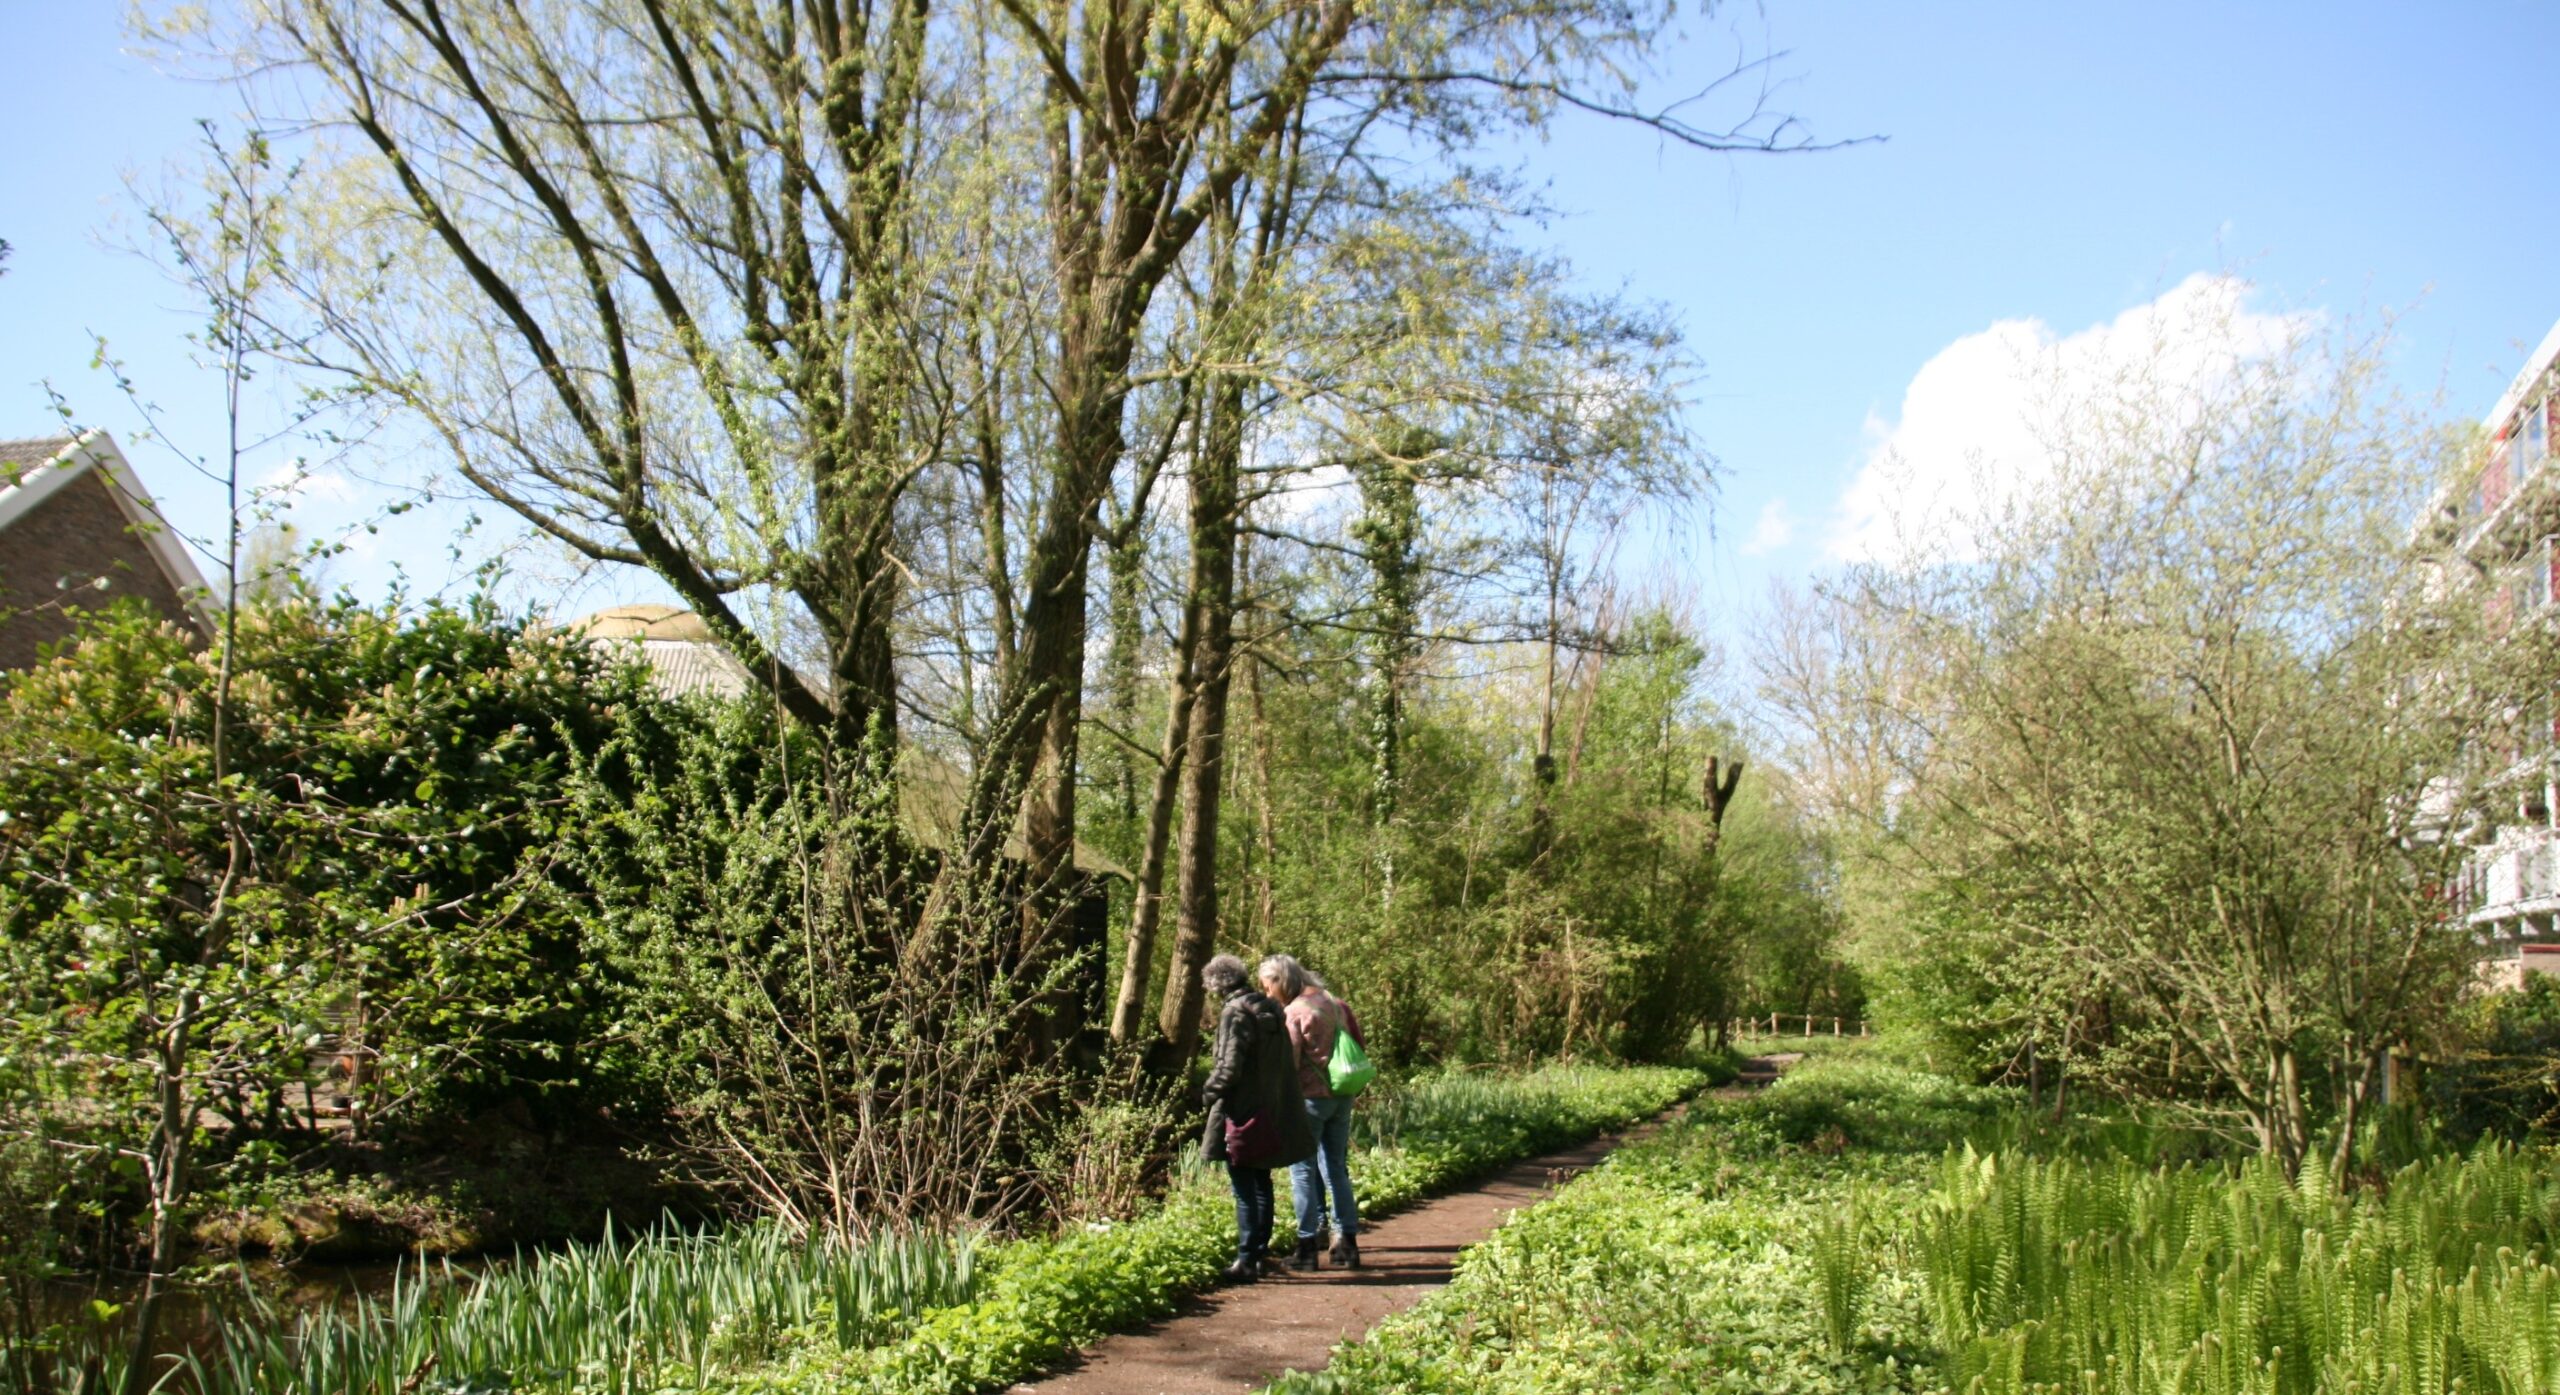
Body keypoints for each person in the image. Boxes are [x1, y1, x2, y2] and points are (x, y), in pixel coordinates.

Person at [1200, 953, 1314, 1281]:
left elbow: (1229, 1065)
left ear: (1215, 984)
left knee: (1243, 1186)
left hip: (1240, 1110)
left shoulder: (1235, 1012)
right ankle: (1260, 1255)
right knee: (1261, 1181)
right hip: (1269, 1107)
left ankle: (1246, 1260)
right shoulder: (1270, 1008)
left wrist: (1208, 1092)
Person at [1260, 954, 1364, 1270]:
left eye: (1267, 987)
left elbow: (1287, 1065)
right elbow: (1358, 1042)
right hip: (1341, 1095)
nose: (1267, 995)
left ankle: (1307, 1248)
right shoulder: (1335, 1003)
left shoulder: (1294, 1012)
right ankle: (1346, 1243)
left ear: (1281, 981)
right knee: (1336, 1167)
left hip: (1309, 1100)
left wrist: (1275, 1102)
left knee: (1302, 1171)